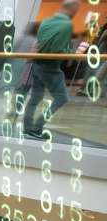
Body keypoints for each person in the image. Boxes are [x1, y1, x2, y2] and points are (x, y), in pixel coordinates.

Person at [23, 0, 87, 139]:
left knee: (35, 97)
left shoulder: (46, 21)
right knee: (62, 98)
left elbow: (41, 43)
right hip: (50, 67)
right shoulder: (67, 25)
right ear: (73, 10)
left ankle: (27, 126)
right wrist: (73, 54)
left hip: (37, 65)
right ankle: (37, 126)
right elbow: (58, 50)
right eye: (76, 10)